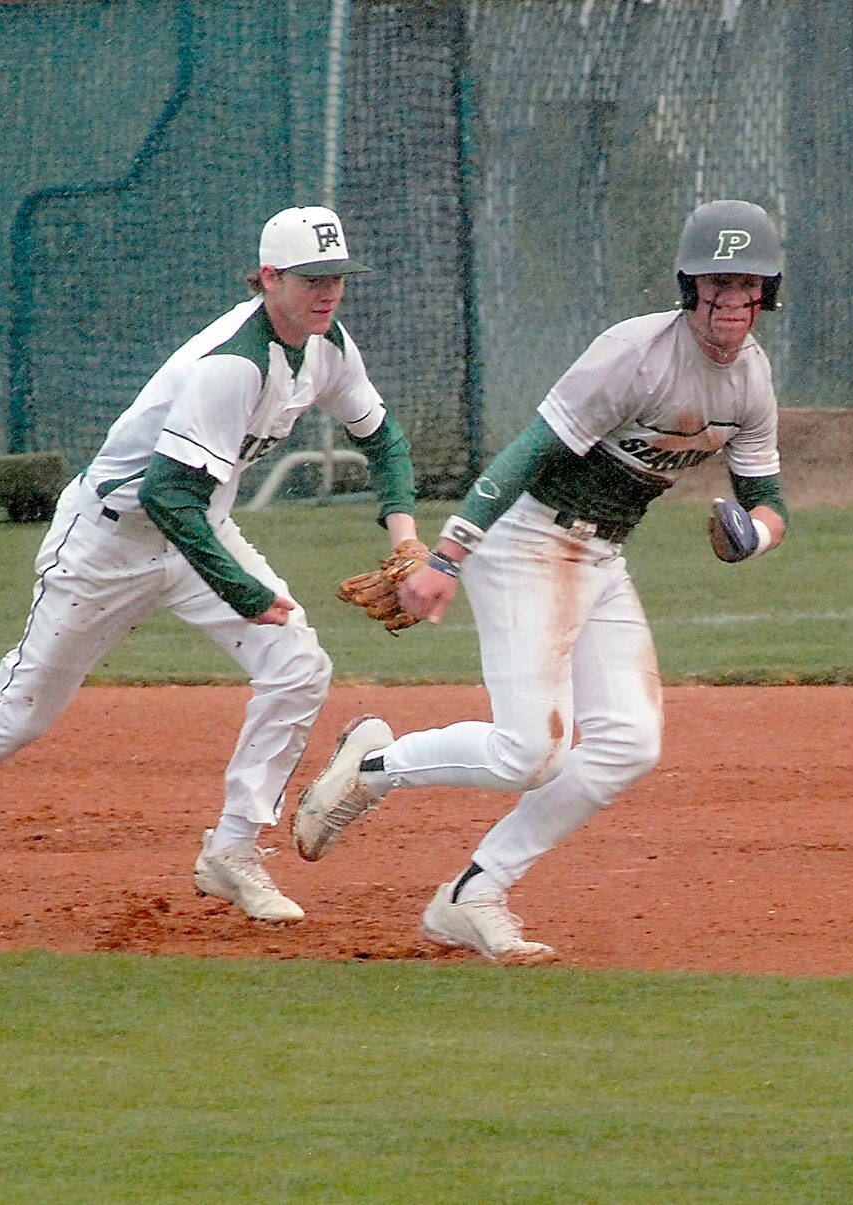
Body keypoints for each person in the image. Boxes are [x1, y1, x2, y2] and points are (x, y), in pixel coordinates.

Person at [292, 200, 790, 961]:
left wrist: (753, 538)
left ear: (767, 293)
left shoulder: (751, 382)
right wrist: (448, 557)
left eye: (745, 285)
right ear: (690, 287)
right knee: (530, 752)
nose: (730, 301)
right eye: (715, 284)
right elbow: (527, 452)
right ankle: (373, 766)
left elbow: (768, 501)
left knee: (627, 743)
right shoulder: (637, 354)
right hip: (528, 540)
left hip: (601, 556)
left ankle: (473, 893)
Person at [0, 206, 419, 922]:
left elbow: (384, 438)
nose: (327, 292)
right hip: (108, 545)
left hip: (196, 529)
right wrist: (243, 591)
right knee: (23, 706)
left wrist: (405, 539)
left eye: (337, 277)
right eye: (310, 279)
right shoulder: (232, 364)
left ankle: (232, 852)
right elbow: (166, 494)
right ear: (270, 277)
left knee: (299, 665)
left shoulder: (326, 348)